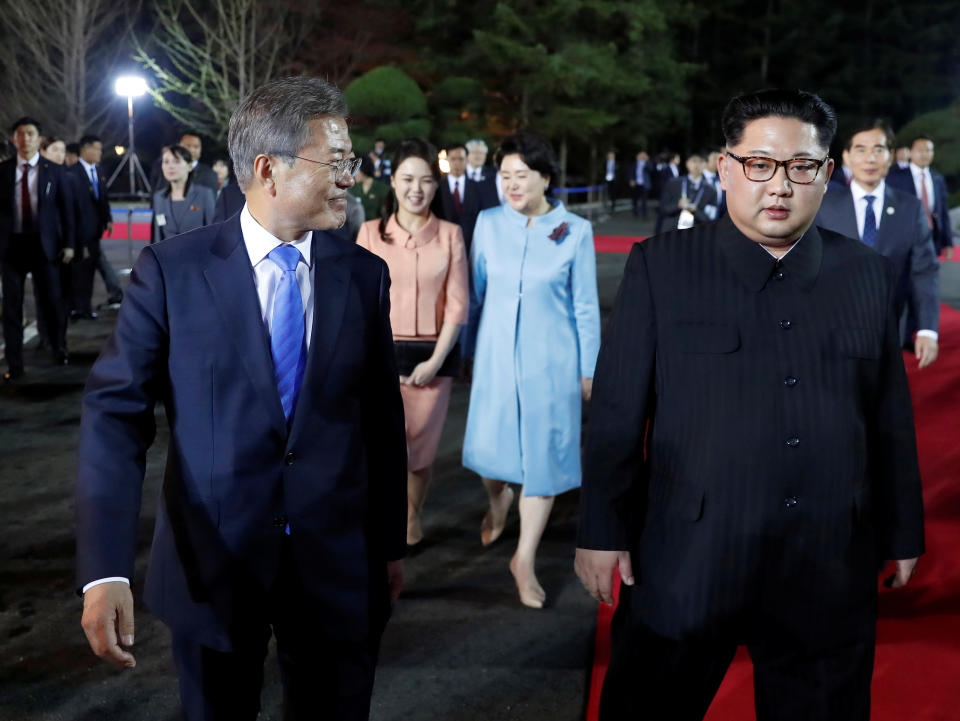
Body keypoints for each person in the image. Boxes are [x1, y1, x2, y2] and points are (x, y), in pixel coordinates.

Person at [575, 89, 924, 721]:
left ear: (826, 173)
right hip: (687, 558)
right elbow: (620, 412)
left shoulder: (867, 273)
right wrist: (601, 529)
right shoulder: (664, 266)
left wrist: (902, 530)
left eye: (801, 167)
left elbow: (887, 418)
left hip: (825, 562)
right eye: (760, 164)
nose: (780, 185)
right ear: (726, 166)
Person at [76, 76, 407, 720]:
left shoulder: (364, 274)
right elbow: (115, 419)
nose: (351, 178)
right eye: (335, 162)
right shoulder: (171, 271)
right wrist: (104, 568)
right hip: (213, 570)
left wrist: (387, 545)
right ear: (268, 169)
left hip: (338, 570)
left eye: (352, 162)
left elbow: (380, 422)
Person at [463, 132, 600, 609]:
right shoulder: (487, 224)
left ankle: (524, 559)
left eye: (522, 176)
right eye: (505, 177)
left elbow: (585, 307)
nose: (513, 185)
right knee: (488, 454)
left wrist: (588, 369)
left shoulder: (575, 231)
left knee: (542, 459)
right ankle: (497, 501)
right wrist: (467, 352)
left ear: (546, 178)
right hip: (496, 357)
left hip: (552, 363)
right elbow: (477, 294)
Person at [357, 138, 468, 546]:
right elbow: (358, 305)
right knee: (380, 448)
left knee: (420, 450)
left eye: (425, 181)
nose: (416, 189)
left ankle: (411, 516)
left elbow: (458, 304)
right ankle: (381, 516)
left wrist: (436, 361)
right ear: (393, 181)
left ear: (436, 187)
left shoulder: (451, 235)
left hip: (432, 361)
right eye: (407, 179)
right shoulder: (369, 233)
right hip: (379, 361)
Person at [816, 119, 939, 367]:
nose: (870, 158)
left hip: (893, 329)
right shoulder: (823, 206)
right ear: (847, 157)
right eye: (860, 149)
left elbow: (924, 270)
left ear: (890, 156)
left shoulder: (910, 208)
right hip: (832, 329)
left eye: (878, 150)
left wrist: (927, 330)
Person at [0, 116, 75, 380]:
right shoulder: (4, 171)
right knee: (11, 307)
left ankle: (59, 346)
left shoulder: (54, 171)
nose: (25, 138)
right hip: (11, 248)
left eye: (30, 133)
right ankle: (15, 362)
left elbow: (67, 211)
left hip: (45, 247)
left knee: (53, 301)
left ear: (38, 138)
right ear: (14, 139)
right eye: (20, 134)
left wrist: (69, 244)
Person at [67, 135, 118, 319]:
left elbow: (103, 198)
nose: (99, 153)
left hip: (95, 231)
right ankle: (75, 308)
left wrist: (108, 219)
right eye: (96, 149)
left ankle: (85, 308)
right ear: (85, 149)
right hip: (79, 232)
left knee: (89, 271)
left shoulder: (98, 170)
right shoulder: (72, 173)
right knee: (78, 271)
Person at [887, 135, 954, 258]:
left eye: (928, 150)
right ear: (910, 153)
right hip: (904, 238)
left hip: (932, 238)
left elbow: (943, 212)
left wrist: (948, 243)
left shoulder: (937, 179)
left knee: (930, 274)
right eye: (920, 150)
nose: (924, 154)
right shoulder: (895, 178)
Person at [438, 142, 498, 250]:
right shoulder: (438, 189)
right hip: (442, 245)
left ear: (467, 160)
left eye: (461, 159)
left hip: (472, 246)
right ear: (447, 160)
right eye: (453, 159)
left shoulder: (478, 188)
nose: (457, 163)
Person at [151, 144, 216, 242]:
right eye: (166, 162)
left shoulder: (204, 194)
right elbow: (157, 237)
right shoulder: (159, 197)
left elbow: (214, 233)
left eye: (176, 161)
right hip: (168, 256)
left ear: (189, 166)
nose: (170, 166)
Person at [655, 152, 718, 234]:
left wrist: (696, 210)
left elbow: (711, 218)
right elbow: (662, 208)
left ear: (705, 164)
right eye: (694, 161)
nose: (697, 165)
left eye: (701, 161)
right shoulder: (673, 183)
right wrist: (678, 205)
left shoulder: (711, 190)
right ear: (687, 163)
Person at [349, 156, 389, 220]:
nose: (353, 174)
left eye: (355, 170)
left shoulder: (383, 189)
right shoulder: (354, 190)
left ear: (363, 168)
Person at [628, 151, 652, 218]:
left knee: (644, 200)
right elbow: (631, 172)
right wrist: (631, 180)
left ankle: (645, 214)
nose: (641, 156)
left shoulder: (647, 163)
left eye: (643, 155)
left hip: (644, 184)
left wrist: (647, 160)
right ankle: (635, 212)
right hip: (636, 184)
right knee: (634, 199)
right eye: (640, 155)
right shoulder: (635, 163)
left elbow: (651, 170)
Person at [702, 148, 725, 216]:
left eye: (720, 159)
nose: (718, 162)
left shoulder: (722, 179)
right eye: (715, 159)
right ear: (705, 161)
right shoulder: (698, 179)